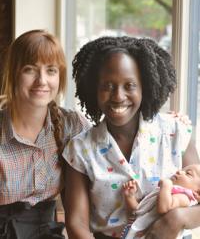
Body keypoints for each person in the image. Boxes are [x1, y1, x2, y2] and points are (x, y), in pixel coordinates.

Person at [63, 36, 200, 239]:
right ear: (94, 89)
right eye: (107, 86)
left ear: (146, 86)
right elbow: (77, 223)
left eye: (129, 85)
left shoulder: (175, 133)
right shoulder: (80, 150)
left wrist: (176, 218)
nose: (118, 96)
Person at [0, 29, 90, 239]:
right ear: (14, 73)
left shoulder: (72, 124)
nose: (42, 80)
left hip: (46, 232)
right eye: (30, 70)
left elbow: (112, 146)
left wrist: (171, 123)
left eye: (51, 70)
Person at [121, 164, 200, 239]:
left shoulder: (184, 197)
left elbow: (164, 208)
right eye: (182, 170)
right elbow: (138, 212)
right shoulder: (163, 192)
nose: (179, 171)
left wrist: (166, 185)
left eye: (188, 173)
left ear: (197, 192)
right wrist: (130, 197)